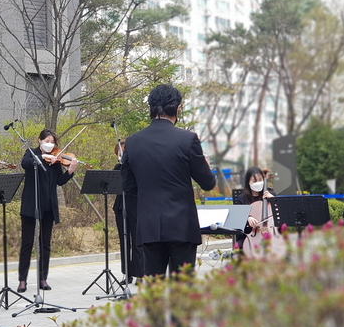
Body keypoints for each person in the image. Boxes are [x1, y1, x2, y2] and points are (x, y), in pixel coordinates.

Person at [121, 84, 216, 278]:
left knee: (154, 288)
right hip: (182, 225)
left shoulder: (132, 141)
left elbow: (128, 186)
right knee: (181, 289)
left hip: (148, 225)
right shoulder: (188, 139)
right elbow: (207, 183)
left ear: (151, 108)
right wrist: (205, 164)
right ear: (177, 107)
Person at [17, 129, 78, 292]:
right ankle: (22, 280)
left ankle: (43, 278)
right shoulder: (31, 153)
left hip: (48, 204)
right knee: (27, 242)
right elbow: (25, 164)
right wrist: (42, 157)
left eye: (52, 142)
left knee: (45, 243)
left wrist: (70, 171)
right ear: (40, 140)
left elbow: (59, 181)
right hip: (31, 203)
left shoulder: (57, 159)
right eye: (47, 141)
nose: (50, 144)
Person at [113, 141, 144, 285]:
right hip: (120, 207)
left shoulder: (138, 167)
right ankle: (127, 273)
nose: (122, 155)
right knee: (124, 241)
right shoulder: (118, 168)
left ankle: (140, 274)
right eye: (120, 153)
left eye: (124, 153)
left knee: (137, 242)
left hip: (136, 207)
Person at [234, 166, 276, 249]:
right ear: (248, 182)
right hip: (249, 235)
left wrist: (273, 199)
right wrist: (247, 217)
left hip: (270, 234)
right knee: (239, 245)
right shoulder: (241, 198)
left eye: (260, 180)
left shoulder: (270, 193)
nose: (258, 183)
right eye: (254, 181)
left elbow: (280, 212)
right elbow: (237, 216)